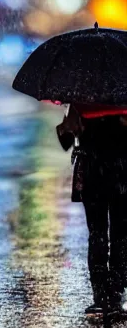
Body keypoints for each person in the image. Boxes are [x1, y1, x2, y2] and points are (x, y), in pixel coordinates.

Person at [58, 104, 127, 314]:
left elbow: (65, 142)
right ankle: (114, 291)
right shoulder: (122, 96)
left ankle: (102, 295)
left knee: (97, 234)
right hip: (120, 172)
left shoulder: (80, 100)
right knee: (120, 234)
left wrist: (69, 126)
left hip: (92, 171)